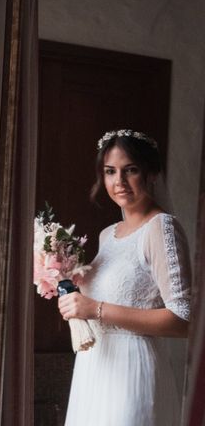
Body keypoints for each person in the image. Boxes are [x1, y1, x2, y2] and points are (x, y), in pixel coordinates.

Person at [58, 129, 191, 425]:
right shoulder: (108, 235)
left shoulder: (162, 228)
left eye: (130, 170)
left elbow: (184, 320)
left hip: (133, 371)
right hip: (94, 368)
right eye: (110, 171)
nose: (119, 182)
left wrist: (96, 309)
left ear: (152, 173)